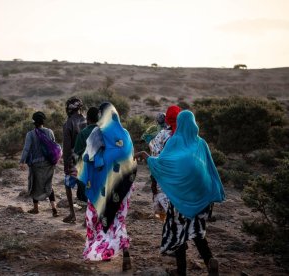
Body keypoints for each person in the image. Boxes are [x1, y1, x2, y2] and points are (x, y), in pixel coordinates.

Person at [134, 110, 225, 276]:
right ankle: (209, 260)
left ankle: (181, 271)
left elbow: (162, 164)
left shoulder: (175, 141)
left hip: (181, 198)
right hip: (202, 197)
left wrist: (144, 155)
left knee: (178, 233)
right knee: (197, 232)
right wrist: (214, 191)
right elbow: (210, 168)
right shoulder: (201, 143)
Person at [77, 102, 137, 271]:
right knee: (118, 220)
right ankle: (124, 253)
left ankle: (103, 251)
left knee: (95, 218)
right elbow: (130, 159)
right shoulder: (125, 134)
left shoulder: (98, 133)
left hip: (101, 187)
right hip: (122, 187)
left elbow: (88, 157)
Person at [19, 111, 58, 217]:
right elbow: (54, 146)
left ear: (34, 123)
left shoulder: (30, 134)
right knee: (48, 184)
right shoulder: (50, 131)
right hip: (49, 163)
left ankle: (36, 208)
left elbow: (26, 149)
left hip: (36, 164)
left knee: (34, 184)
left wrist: (22, 161)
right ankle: (54, 208)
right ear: (43, 121)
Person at [148, 106, 181, 221]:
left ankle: (167, 220)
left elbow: (155, 155)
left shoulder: (162, 134)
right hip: (182, 178)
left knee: (166, 204)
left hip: (164, 176)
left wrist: (153, 179)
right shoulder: (187, 135)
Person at [62, 97, 87, 223]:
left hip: (73, 160)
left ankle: (72, 213)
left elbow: (67, 147)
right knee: (88, 188)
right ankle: (87, 219)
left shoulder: (68, 123)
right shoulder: (87, 120)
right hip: (88, 160)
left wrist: (66, 164)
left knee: (68, 185)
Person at [74, 106, 99, 203]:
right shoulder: (104, 132)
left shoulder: (83, 133)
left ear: (87, 119)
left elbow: (77, 152)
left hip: (86, 167)